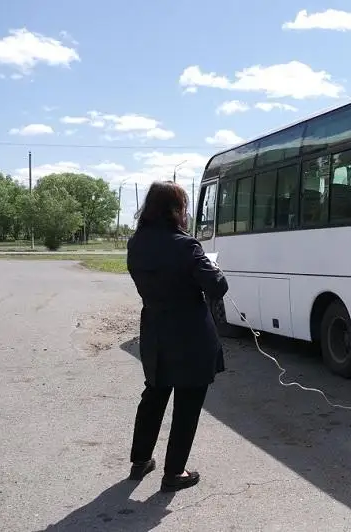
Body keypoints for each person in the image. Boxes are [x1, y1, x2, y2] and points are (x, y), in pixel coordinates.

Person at [125, 181, 229, 492]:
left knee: (154, 395)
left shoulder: (136, 243)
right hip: (191, 337)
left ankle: (140, 460)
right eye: (183, 206)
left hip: (155, 332)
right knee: (187, 403)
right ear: (175, 209)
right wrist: (210, 266)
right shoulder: (186, 246)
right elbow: (217, 287)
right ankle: (174, 473)